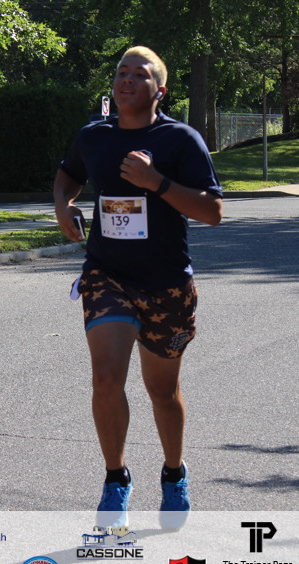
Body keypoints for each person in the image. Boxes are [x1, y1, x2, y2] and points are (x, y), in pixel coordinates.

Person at [53, 46, 223, 528]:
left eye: (140, 74)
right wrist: (63, 206)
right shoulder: (94, 136)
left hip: (167, 283)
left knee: (162, 391)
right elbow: (67, 176)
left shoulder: (180, 140)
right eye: (121, 72)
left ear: (159, 90)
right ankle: (116, 478)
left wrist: (156, 182)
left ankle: (174, 473)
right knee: (106, 377)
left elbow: (212, 212)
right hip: (107, 274)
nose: (127, 79)